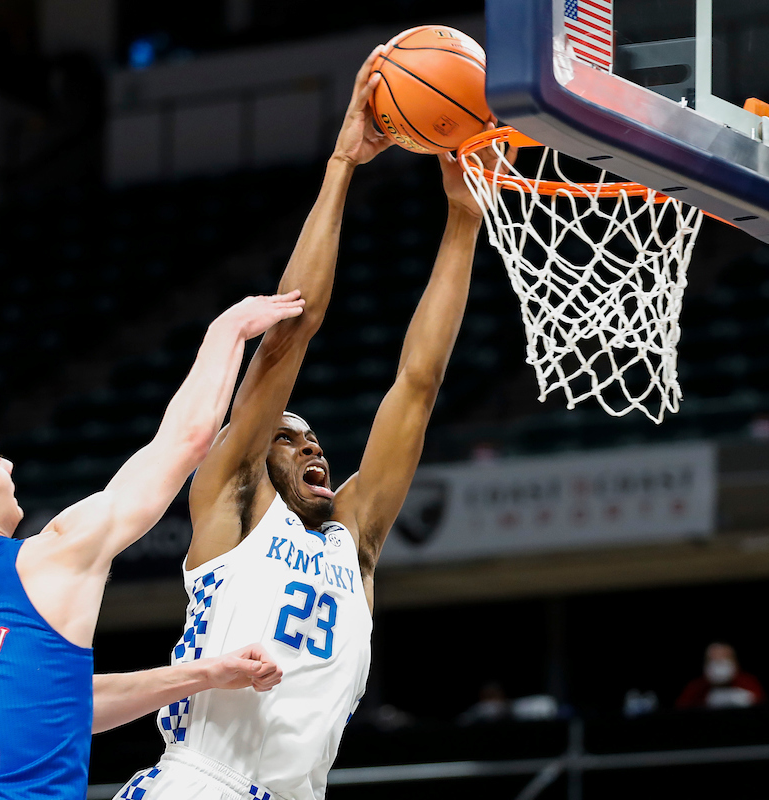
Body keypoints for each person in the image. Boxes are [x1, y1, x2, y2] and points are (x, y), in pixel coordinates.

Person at [119, 46, 494, 800]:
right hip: (202, 785)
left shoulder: (352, 544)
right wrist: (343, 165)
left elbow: (416, 387)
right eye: (285, 438)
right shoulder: (233, 505)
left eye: (313, 437)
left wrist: (461, 224)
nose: (309, 444)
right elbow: (293, 329)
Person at [0, 291, 305, 799]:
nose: (9, 467)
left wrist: (207, 672)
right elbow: (187, 441)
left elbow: (59, 706)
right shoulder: (52, 555)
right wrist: (227, 331)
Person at [676, 641, 765, 710]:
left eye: (724, 658)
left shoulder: (748, 682)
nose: (719, 664)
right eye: (714, 659)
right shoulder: (695, 687)